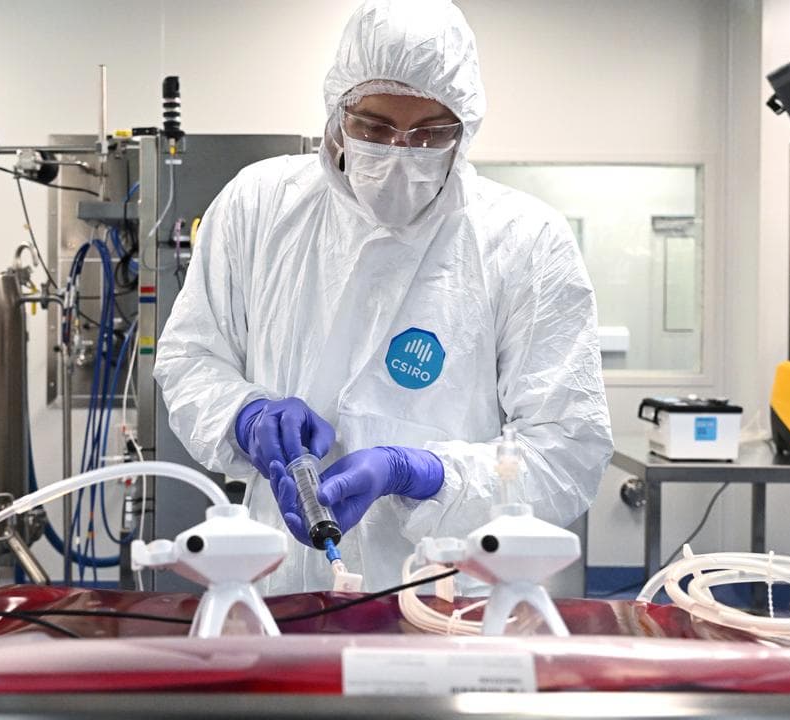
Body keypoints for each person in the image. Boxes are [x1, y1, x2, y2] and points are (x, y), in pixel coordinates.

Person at [154, 0, 613, 595]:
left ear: (464, 128)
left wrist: (428, 475)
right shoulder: (260, 206)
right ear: (336, 111)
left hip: (453, 591)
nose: (398, 151)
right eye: (373, 126)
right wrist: (246, 415)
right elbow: (191, 358)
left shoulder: (524, 242)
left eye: (428, 133)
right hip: (286, 584)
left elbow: (567, 450)